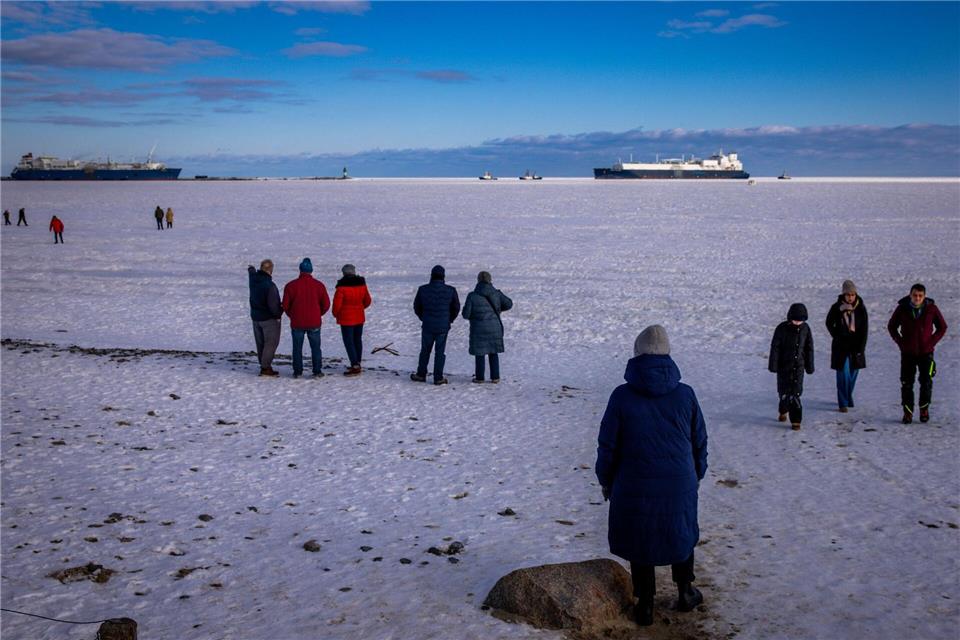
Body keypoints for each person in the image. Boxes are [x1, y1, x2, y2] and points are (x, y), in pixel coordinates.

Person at [595, 325, 708, 627]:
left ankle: (645, 604)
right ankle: (685, 591)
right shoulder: (685, 395)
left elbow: (607, 445)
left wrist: (605, 480)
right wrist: (697, 473)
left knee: (640, 538)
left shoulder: (621, 397)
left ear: (636, 355)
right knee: (680, 533)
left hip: (634, 482)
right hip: (679, 480)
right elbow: (699, 440)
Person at [887, 283, 948, 424]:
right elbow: (892, 326)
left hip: (926, 353)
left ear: (924, 296)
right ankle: (907, 412)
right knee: (907, 382)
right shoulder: (902, 308)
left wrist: (931, 342)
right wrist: (901, 342)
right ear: (910, 295)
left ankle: (924, 409)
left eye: (920, 296)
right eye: (915, 295)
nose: (917, 298)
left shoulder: (931, 309)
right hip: (908, 353)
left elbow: (942, 327)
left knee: (926, 382)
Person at [282, 258, 330, 378]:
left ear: (300, 270)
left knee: (297, 348)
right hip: (314, 321)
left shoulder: (290, 286)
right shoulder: (319, 285)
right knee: (316, 348)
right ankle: (317, 370)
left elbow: (285, 305)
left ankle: (298, 371)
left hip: (297, 322)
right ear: (311, 270)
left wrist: (292, 315)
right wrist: (318, 314)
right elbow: (326, 304)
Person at [412, 265, 460, 385]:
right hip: (443, 326)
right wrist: (449, 320)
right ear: (443, 276)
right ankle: (438, 377)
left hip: (428, 324)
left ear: (431, 275)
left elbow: (417, 307)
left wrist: (423, 318)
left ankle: (421, 374)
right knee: (440, 352)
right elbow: (456, 308)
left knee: (425, 351)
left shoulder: (423, 289)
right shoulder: (451, 290)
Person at [769, 303, 815, 430]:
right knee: (784, 392)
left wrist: (809, 366)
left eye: (800, 321)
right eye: (795, 320)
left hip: (798, 366)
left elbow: (809, 348)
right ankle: (783, 410)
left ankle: (796, 420)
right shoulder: (781, 328)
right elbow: (775, 348)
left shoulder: (806, 329)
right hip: (783, 366)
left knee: (796, 393)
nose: (797, 323)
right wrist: (773, 365)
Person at [462, 271, 513, 383]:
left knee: (480, 353)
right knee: (493, 351)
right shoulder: (496, 293)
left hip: (478, 329)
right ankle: (495, 377)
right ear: (490, 280)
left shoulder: (472, 296)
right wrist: (498, 310)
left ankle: (480, 378)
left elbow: (465, 315)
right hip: (494, 327)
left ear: (478, 280)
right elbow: (509, 304)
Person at [825, 280, 868, 412]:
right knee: (843, 373)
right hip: (841, 346)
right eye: (848, 294)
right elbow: (828, 323)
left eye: (852, 294)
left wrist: (861, 347)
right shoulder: (836, 307)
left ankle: (848, 396)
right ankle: (843, 402)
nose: (850, 297)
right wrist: (837, 335)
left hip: (856, 346)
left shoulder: (860, 308)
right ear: (843, 294)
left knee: (853, 373)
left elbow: (864, 329)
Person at [332, 263, 372, 376]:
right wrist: (359, 308)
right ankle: (357, 362)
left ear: (344, 273)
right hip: (359, 316)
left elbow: (336, 305)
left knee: (349, 341)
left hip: (346, 319)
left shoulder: (341, 287)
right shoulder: (362, 285)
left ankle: (355, 365)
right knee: (357, 339)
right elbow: (368, 301)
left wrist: (336, 314)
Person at [248, 259, 282, 377]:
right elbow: (273, 305)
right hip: (268, 318)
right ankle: (265, 367)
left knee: (260, 343)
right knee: (271, 343)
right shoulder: (270, 286)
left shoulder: (253, 280)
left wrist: (251, 269)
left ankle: (264, 364)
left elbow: (251, 274)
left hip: (255, 317)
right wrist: (278, 314)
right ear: (271, 270)